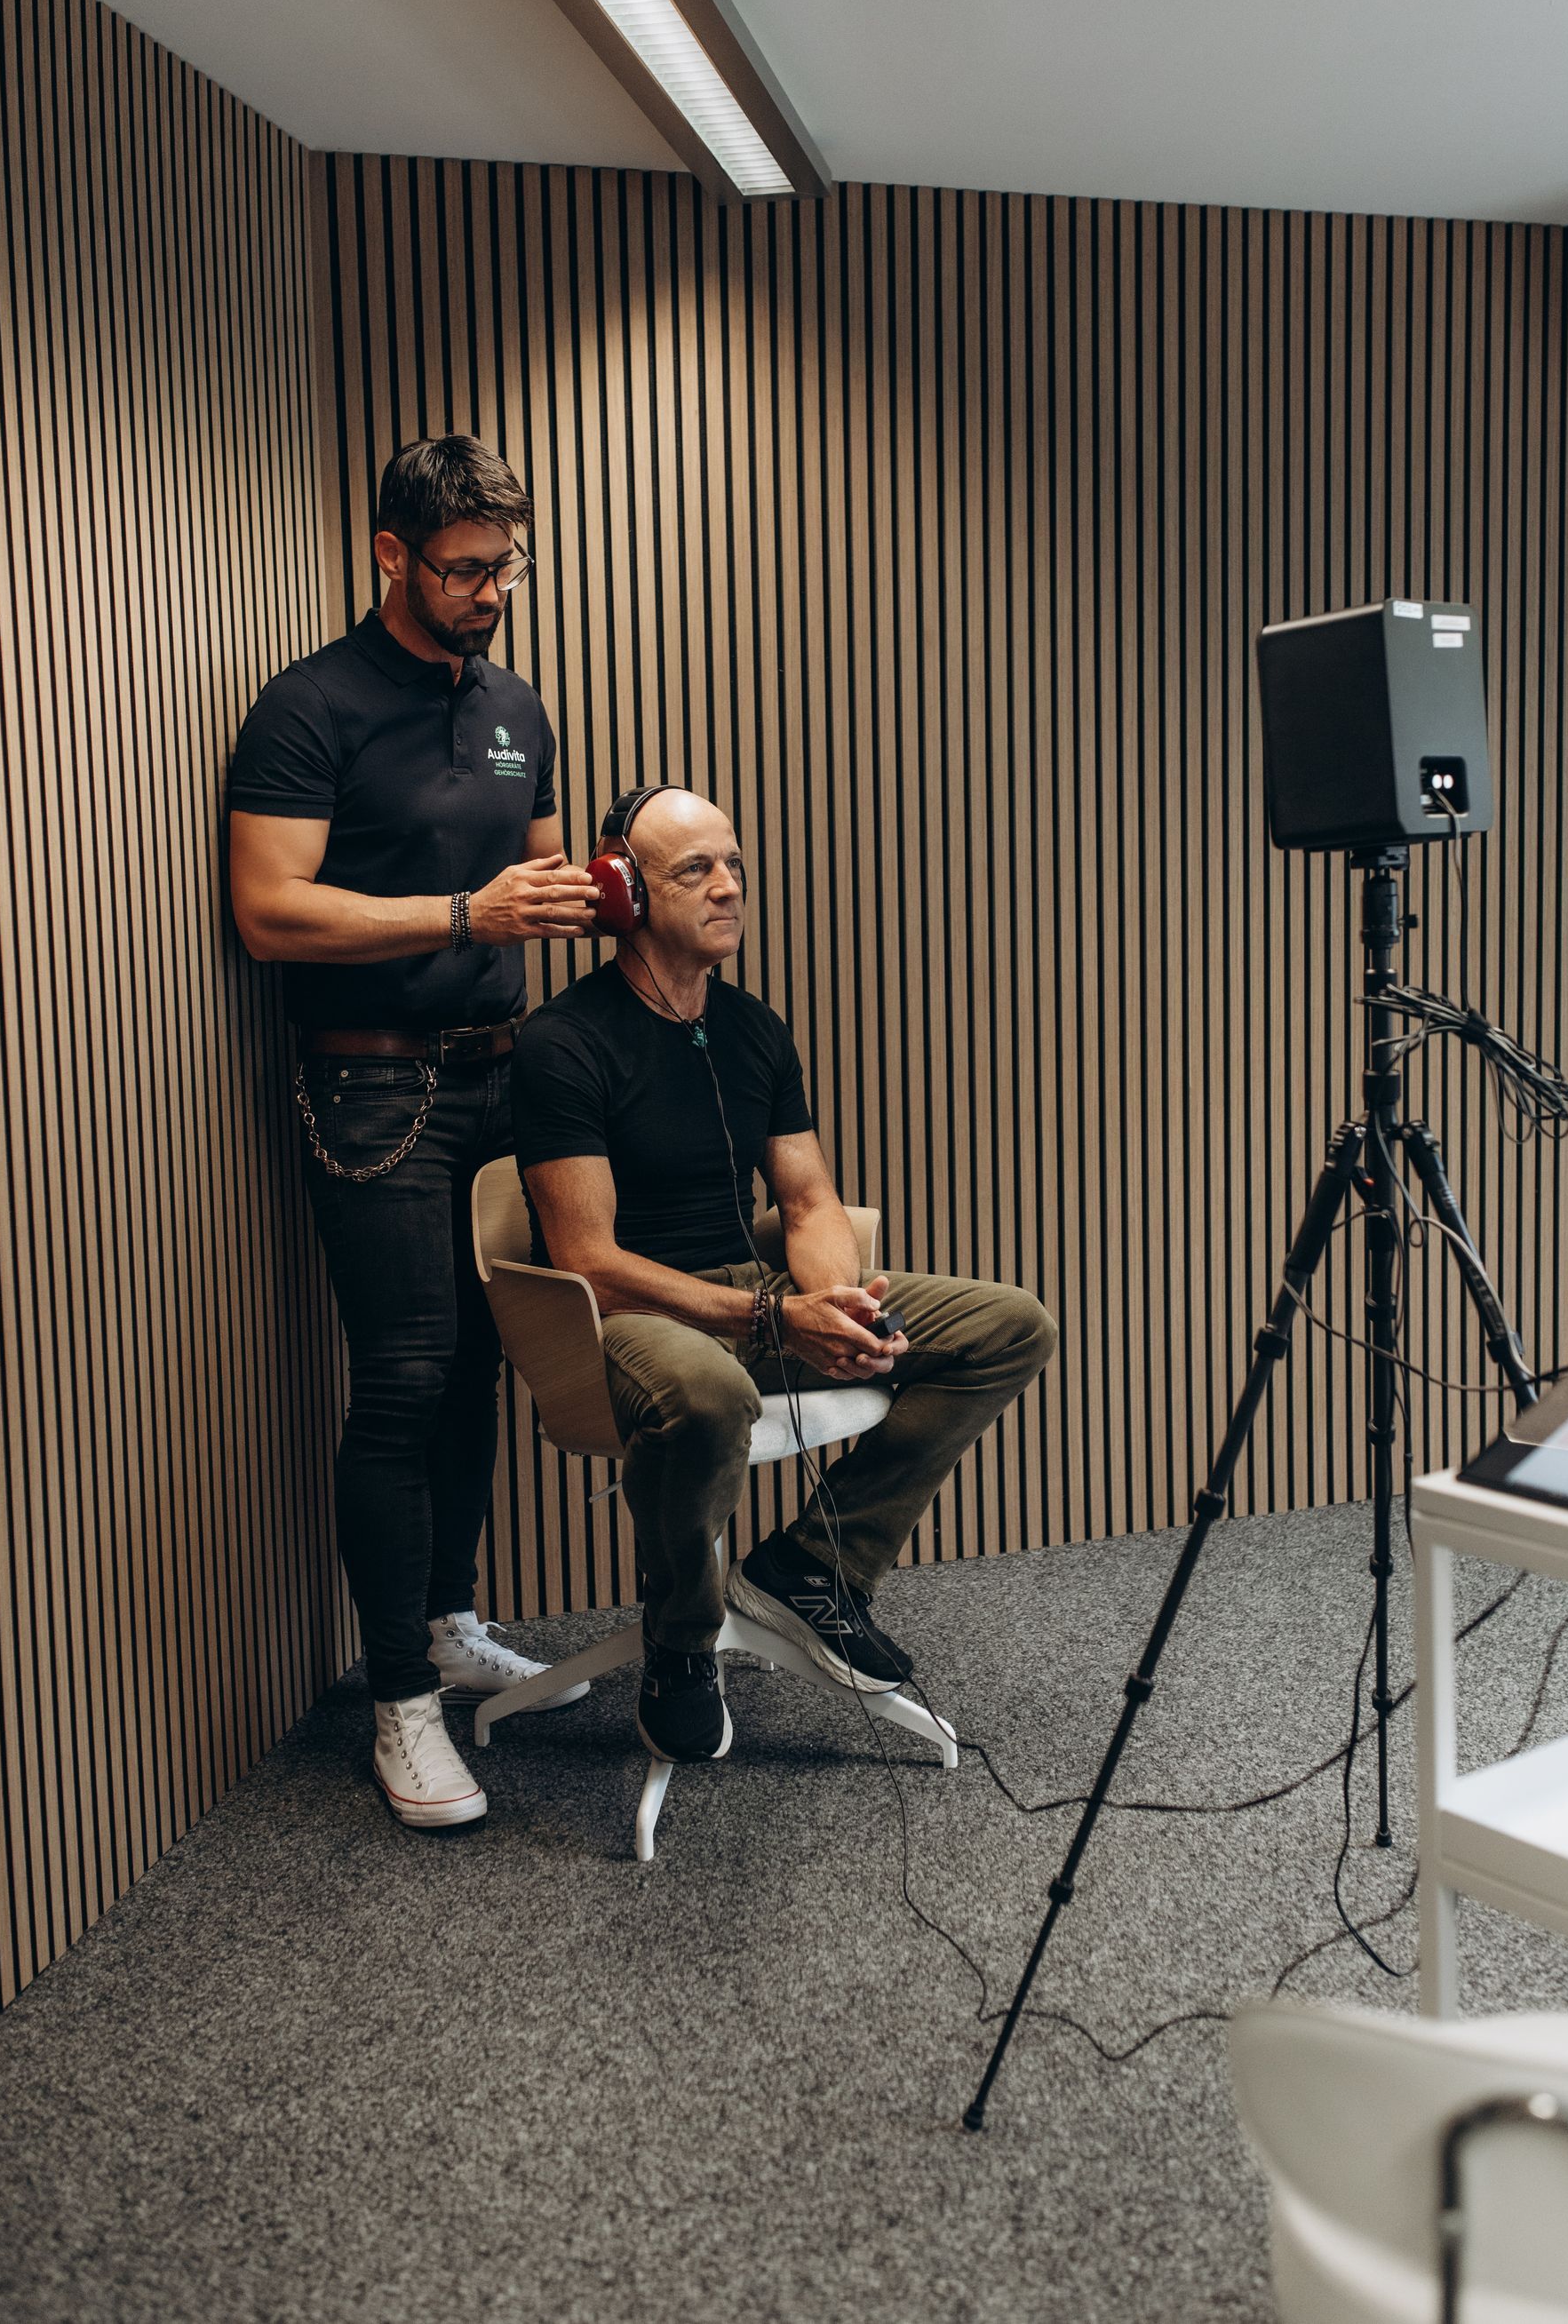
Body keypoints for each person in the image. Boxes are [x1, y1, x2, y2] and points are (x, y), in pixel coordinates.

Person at [511, 785, 1058, 1764]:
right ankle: (681, 1640)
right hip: (633, 1314)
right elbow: (588, 1260)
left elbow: (807, 1201)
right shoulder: (565, 1042)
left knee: (1011, 1323)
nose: (729, 887)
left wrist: (839, 1301)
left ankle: (816, 1566)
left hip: (749, 1296)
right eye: (696, 870)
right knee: (713, 1393)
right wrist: (774, 1316)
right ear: (625, 890)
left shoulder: (754, 1028)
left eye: (734, 866)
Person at [228, 435, 599, 1830]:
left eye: (506, 563)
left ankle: (449, 1621)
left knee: (476, 1378)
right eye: (463, 567)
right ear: (392, 553)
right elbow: (272, 910)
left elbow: (539, 868)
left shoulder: (515, 705)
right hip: (372, 1087)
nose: (491, 588)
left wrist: (598, 898)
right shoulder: (311, 706)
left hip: (501, 1079)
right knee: (402, 1373)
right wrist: (463, 917)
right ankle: (399, 1707)